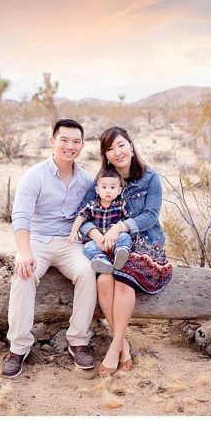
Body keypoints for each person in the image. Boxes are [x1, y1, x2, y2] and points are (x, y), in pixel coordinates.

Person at [3, 119, 97, 378]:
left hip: (70, 243)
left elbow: (91, 214)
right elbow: (20, 216)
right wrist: (24, 252)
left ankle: (78, 341)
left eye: (76, 141)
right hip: (38, 241)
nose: (70, 146)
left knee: (89, 273)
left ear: (82, 145)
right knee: (24, 275)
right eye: (64, 140)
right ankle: (18, 347)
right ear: (52, 141)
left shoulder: (86, 180)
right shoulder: (35, 175)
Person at [79, 126, 172, 376]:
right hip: (109, 246)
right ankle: (124, 344)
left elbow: (151, 216)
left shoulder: (150, 178)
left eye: (121, 145)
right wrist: (97, 235)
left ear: (131, 146)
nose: (117, 152)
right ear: (105, 155)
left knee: (123, 281)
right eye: (110, 148)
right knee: (104, 281)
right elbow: (83, 214)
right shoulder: (101, 180)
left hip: (145, 243)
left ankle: (115, 348)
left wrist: (119, 227)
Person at [67, 168, 132, 273]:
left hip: (115, 240)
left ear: (119, 190)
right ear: (97, 190)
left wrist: (119, 232)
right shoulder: (92, 205)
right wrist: (73, 231)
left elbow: (126, 221)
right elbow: (81, 216)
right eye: (104, 187)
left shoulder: (121, 205)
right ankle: (101, 260)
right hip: (97, 242)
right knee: (88, 247)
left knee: (125, 237)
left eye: (112, 187)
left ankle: (121, 252)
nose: (108, 190)